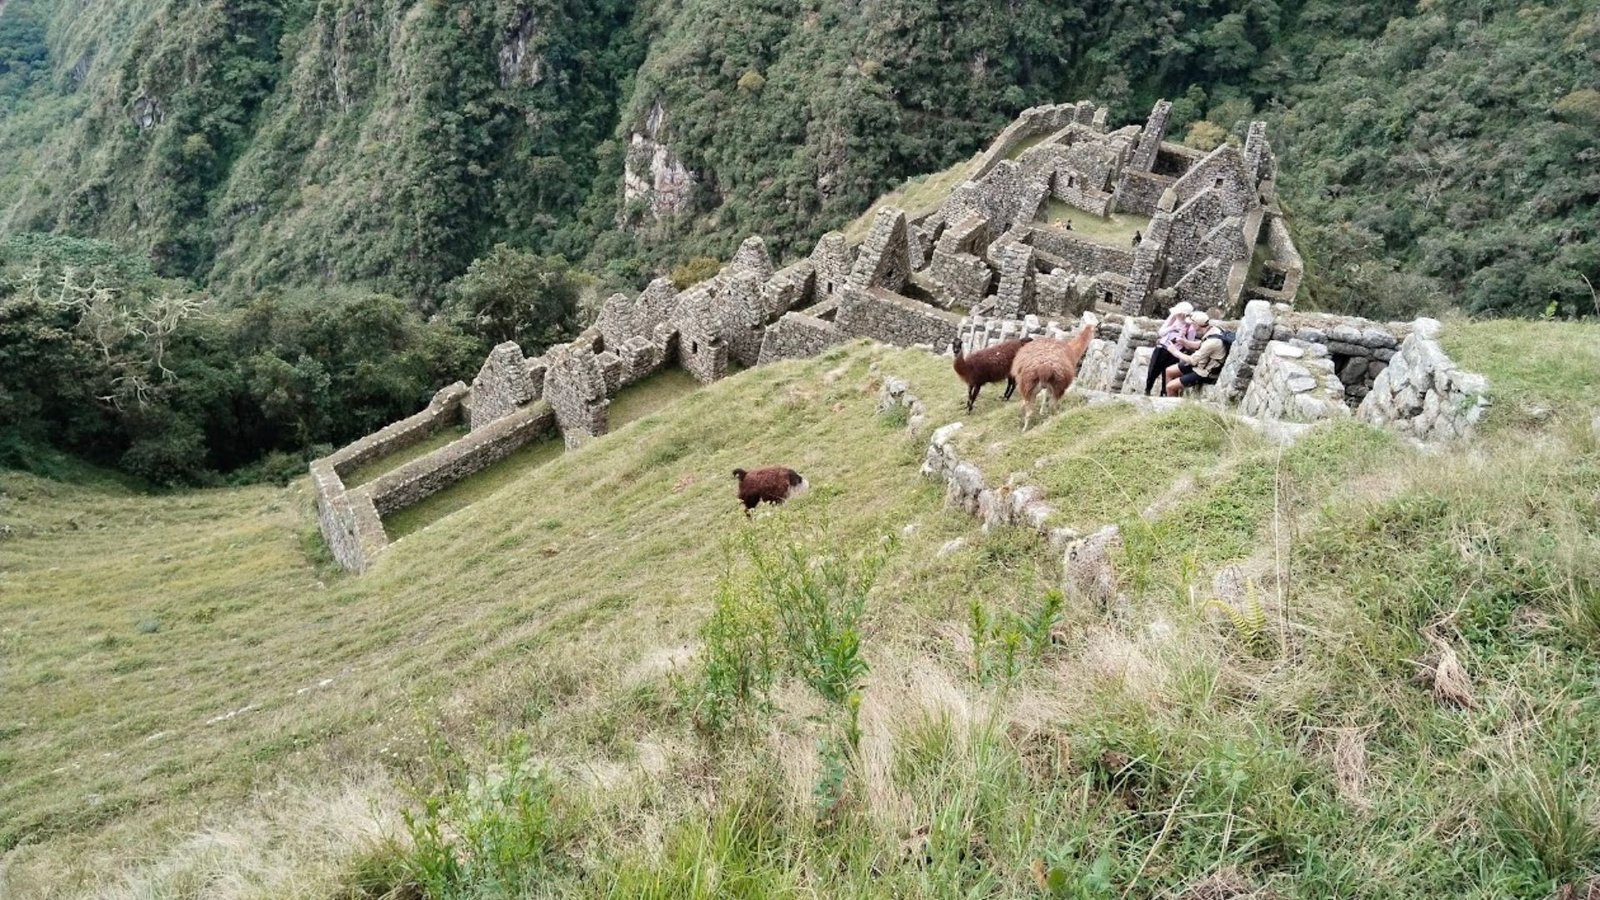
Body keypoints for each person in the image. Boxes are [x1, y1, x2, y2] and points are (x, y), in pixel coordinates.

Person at [1164, 311, 1226, 396]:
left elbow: (1192, 360)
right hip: (1201, 363)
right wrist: (1184, 341)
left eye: (1192, 324)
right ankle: (1169, 396)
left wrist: (1174, 351)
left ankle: (1171, 403)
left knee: (1170, 386)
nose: (1191, 326)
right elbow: (1201, 344)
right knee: (1169, 371)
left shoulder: (1212, 342)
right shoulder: (1214, 330)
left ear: (1196, 325)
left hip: (1205, 372)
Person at [1144, 300, 1197, 395]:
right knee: (1153, 370)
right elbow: (1161, 332)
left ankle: (1164, 393)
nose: (1177, 315)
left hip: (1174, 352)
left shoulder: (1190, 327)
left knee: (1167, 374)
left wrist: (1182, 339)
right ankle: (1147, 390)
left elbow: (1189, 345)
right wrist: (1172, 328)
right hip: (1162, 348)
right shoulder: (1173, 318)